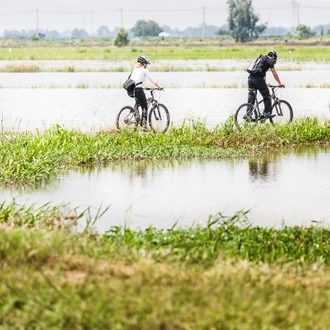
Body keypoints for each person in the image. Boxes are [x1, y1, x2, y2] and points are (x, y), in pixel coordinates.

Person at [247, 50, 285, 119]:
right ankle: (267, 113)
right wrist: (279, 83)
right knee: (267, 95)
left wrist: (264, 83)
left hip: (250, 79)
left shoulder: (261, 59)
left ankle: (248, 113)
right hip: (258, 80)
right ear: (273, 57)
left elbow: (260, 72)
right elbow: (274, 73)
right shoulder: (269, 61)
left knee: (251, 96)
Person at [130, 55, 163, 131]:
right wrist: (159, 87)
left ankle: (137, 120)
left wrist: (142, 86)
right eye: (146, 64)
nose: (147, 65)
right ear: (144, 64)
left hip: (133, 90)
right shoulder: (144, 70)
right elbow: (153, 80)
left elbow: (135, 81)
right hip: (138, 90)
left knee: (138, 105)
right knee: (145, 107)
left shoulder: (135, 70)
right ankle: (144, 126)